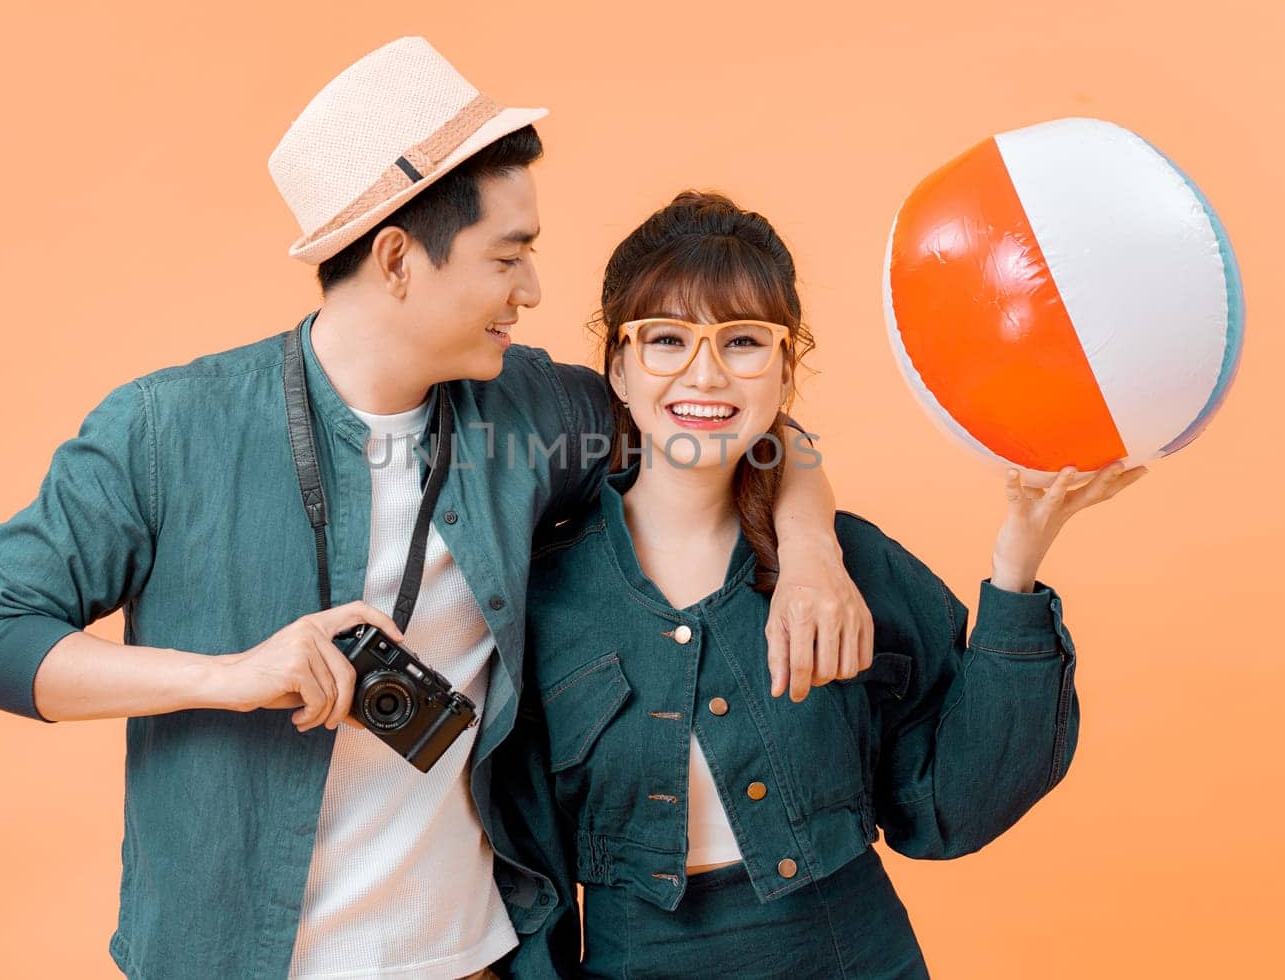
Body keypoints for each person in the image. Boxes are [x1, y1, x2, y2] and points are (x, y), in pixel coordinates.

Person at [0, 38, 874, 980]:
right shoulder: (167, 428)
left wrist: (810, 549)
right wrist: (228, 676)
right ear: (395, 259)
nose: (534, 291)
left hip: (477, 961)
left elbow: (726, 420)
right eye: (509, 256)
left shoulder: (533, 410)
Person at [491, 191, 1149, 978]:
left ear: (784, 375)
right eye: (666, 339)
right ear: (620, 372)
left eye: (743, 342)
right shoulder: (544, 595)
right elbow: (526, 869)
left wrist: (1017, 568)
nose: (705, 373)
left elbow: (953, 806)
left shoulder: (850, 565)